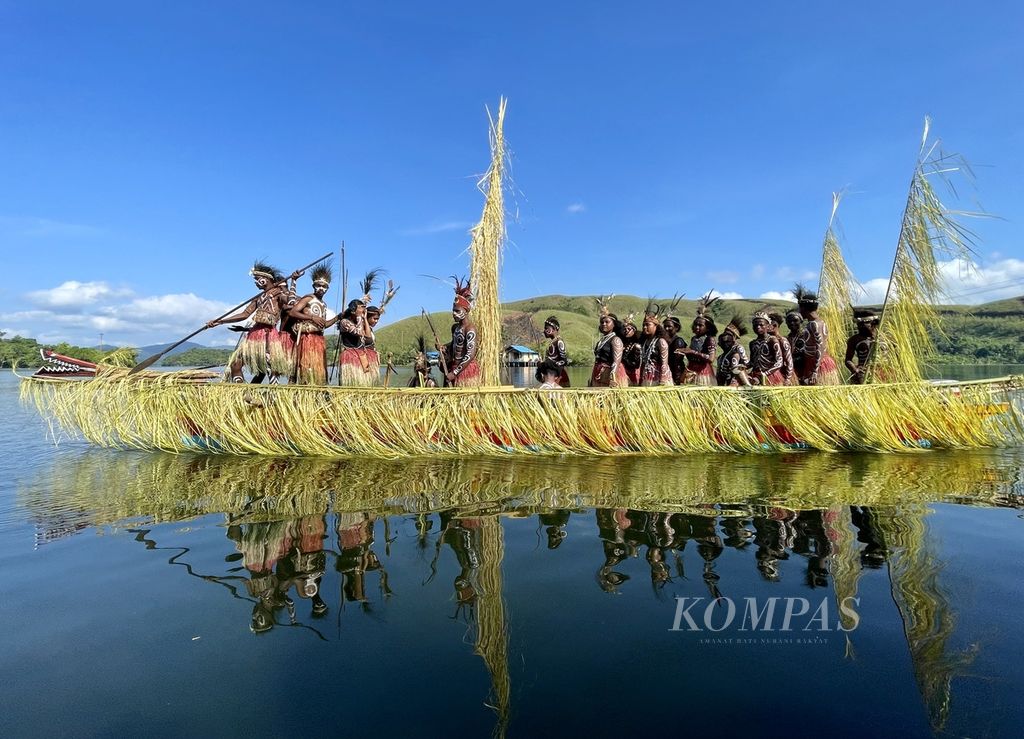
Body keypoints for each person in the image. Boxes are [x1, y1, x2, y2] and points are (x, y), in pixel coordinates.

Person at [208, 261, 297, 383]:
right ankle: (246, 395)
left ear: (265, 279)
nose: (255, 283)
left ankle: (274, 398)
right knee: (235, 365)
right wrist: (220, 321)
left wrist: (294, 282)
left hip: (268, 336)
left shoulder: (279, 295)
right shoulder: (259, 297)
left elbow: (291, 302)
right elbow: (244, 314)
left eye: (257, 279)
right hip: (253, 335)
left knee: (271, 369)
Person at [287, 261, 334, 385]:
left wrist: (338, 317)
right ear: (313, 285)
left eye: (324, 287)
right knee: (305, 368)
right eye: (318, 285)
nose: (321, 289)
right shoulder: (308, 298)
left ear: (328, 288)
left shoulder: (324, 304)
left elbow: (324, 324)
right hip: (306, 338)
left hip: (318, 339)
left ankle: (314, 396)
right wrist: (312, 318)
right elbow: (293, 312)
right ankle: (300, 395)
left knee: (318, 372)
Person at [793, 284, 841, 385]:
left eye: (800, 308)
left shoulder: (815, 324)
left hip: (818, 365)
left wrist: (815, 371)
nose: (799, 311)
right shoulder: (816, 323)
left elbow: (821, 346)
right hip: (814, 363)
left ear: (804, 308)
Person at [444, 276, 481, 387]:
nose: (454, 314)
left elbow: (470, 354)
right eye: (453, 311)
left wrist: (454, 373)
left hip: (465, 371)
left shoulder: (470, 329)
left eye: (457, 311)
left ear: (466, 310)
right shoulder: (455, 328)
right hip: (454, 367)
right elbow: (455, 344)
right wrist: (444, 346)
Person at [590, 299, 628, 387]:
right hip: (599, 373)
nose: (604, 324)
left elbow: (616, 361)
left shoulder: (616, 340)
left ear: (614, 324)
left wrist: (612, 377)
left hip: (611, 374)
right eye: (602, 322)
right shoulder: (601, 341)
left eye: (607, 322)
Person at [681, 293, 718, 385]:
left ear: (708, 328)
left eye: (700, 325)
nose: (697, 327)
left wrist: (693, 352)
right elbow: (692, 356)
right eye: (695, 325)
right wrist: (685, 352)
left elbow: (711, 358)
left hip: (703, 373)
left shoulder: (710, 339)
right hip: (691, 370)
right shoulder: (694, 338)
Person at [337, 297, 375, 386]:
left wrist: (365, 319)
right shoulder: (344, 322)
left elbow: (368, 337)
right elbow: (359, 332)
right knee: (352, 382)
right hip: (350, 356)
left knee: (363, 382)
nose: (363, 310)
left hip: (361, 355)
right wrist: (359, 317)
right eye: (361, 308)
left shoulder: (360, 321)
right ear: (353, 311)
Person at [748, 309, 785, 386]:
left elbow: (779, 362)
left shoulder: (772, 340)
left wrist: (766, 374)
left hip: (771, 377)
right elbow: (752, 362)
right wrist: (743, 366)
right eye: (755, 325)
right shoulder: (752, 343)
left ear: (768, 326)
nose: (758, 327)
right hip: (756, 376)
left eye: (761, 325)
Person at [845, 308, 881, 384]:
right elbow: (848, 360)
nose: (860, 327)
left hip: (883, 373)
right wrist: (855, 370)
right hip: (864, 374)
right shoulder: (854, 340)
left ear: (873, 323)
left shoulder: (884, 338)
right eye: (859, 325)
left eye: (864, 324)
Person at [639, 304, 672, 386]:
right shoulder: (645, 341)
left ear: (656, 326)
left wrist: (663, 379)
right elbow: (643, 361)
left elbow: (664, 363)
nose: (644, 327)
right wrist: (640, 378)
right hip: (647, 376)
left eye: (648, 325)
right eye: (643, 325)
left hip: (658, 377)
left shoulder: (661, 342)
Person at [716, 315, 750, 386]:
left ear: (734, 337)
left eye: (728, 336)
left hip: (735, 383)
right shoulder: (721, 356)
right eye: (725, 334)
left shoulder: (738, 348)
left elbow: (747, 363)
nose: (725, 338)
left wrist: (739, 370)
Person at [768, 312, 797, 386]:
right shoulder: (767, 340)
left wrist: (788, 378)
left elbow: (789, 361)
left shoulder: (782, 341)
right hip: (771, 374)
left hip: (782, 375)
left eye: (768, 325)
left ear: (774, 325)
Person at [542, 316, 571, 387]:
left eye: (546, 328)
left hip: (559, 375)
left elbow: (564, 361)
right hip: (551, 375)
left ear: (554, 329)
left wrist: (552, 366)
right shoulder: (552, 343)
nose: (544, 331)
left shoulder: (559, 342)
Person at [664, 316, 687, 385]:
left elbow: (677, 362)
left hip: (676, 375)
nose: (666, 329)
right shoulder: (664, 341)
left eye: (669, 326)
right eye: (665, 326)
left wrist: (677, 379)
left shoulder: (678, 342)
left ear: (676, 328)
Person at [620, 315, 642, 386]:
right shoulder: (623, 344)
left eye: (629, 329)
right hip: (622, 373)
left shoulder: (636, 346)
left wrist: (623, 358)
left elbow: (636, 365)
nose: (626, 331)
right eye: (625, 329)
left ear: (634, 331)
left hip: (632, 375)